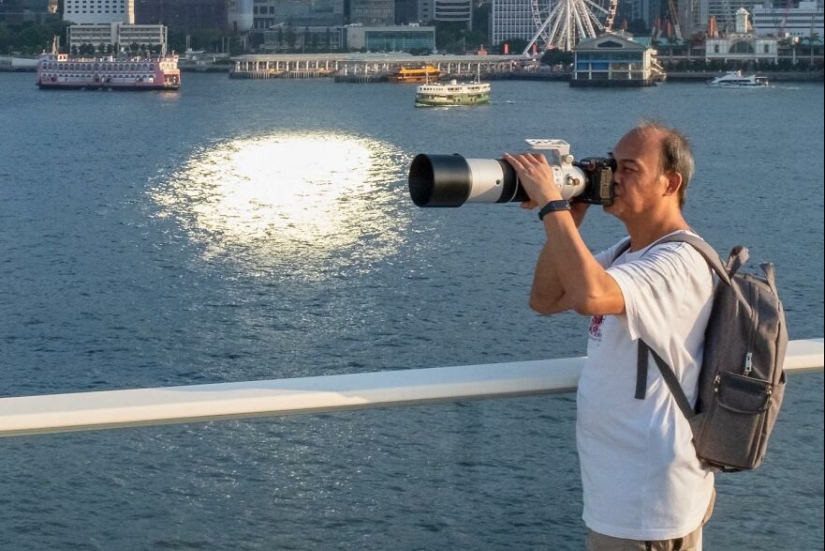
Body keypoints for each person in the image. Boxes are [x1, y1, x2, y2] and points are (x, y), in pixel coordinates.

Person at [503, 122, 716, 551]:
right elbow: (547, 298)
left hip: (649, 506)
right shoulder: (628, 251)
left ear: (670, 182)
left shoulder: (678, 261)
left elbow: (590, 296)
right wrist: (569, 220)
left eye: (630, 169)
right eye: (612, 164)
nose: (612, 177)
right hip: (624, 496)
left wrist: (551, 205)